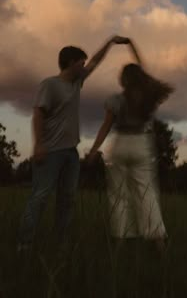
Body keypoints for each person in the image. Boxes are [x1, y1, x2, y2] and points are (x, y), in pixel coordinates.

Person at [17, 35, 129, 252]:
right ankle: (24, 243)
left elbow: (96, 61)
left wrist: (111, 41)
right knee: (40, 197)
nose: (84, 65)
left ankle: (61, 243)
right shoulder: (49, 84)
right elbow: (38, 115)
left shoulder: (77, 83)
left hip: (70, 153)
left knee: (67, 199)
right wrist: (38, 145)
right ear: (70, 62)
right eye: (81, 62)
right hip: (50, 152)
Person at [87, 39, 173, 251]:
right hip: (142, 145)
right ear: (141, 79)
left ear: (124, 80)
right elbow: (142, 67)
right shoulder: (149, 96)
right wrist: (132, 45)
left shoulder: (115, 99)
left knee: (119, 196)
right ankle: (159, 242)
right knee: (147, 194)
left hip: (119, 145)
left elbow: (106, 127)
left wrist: (93, 150)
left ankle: (119, 245)